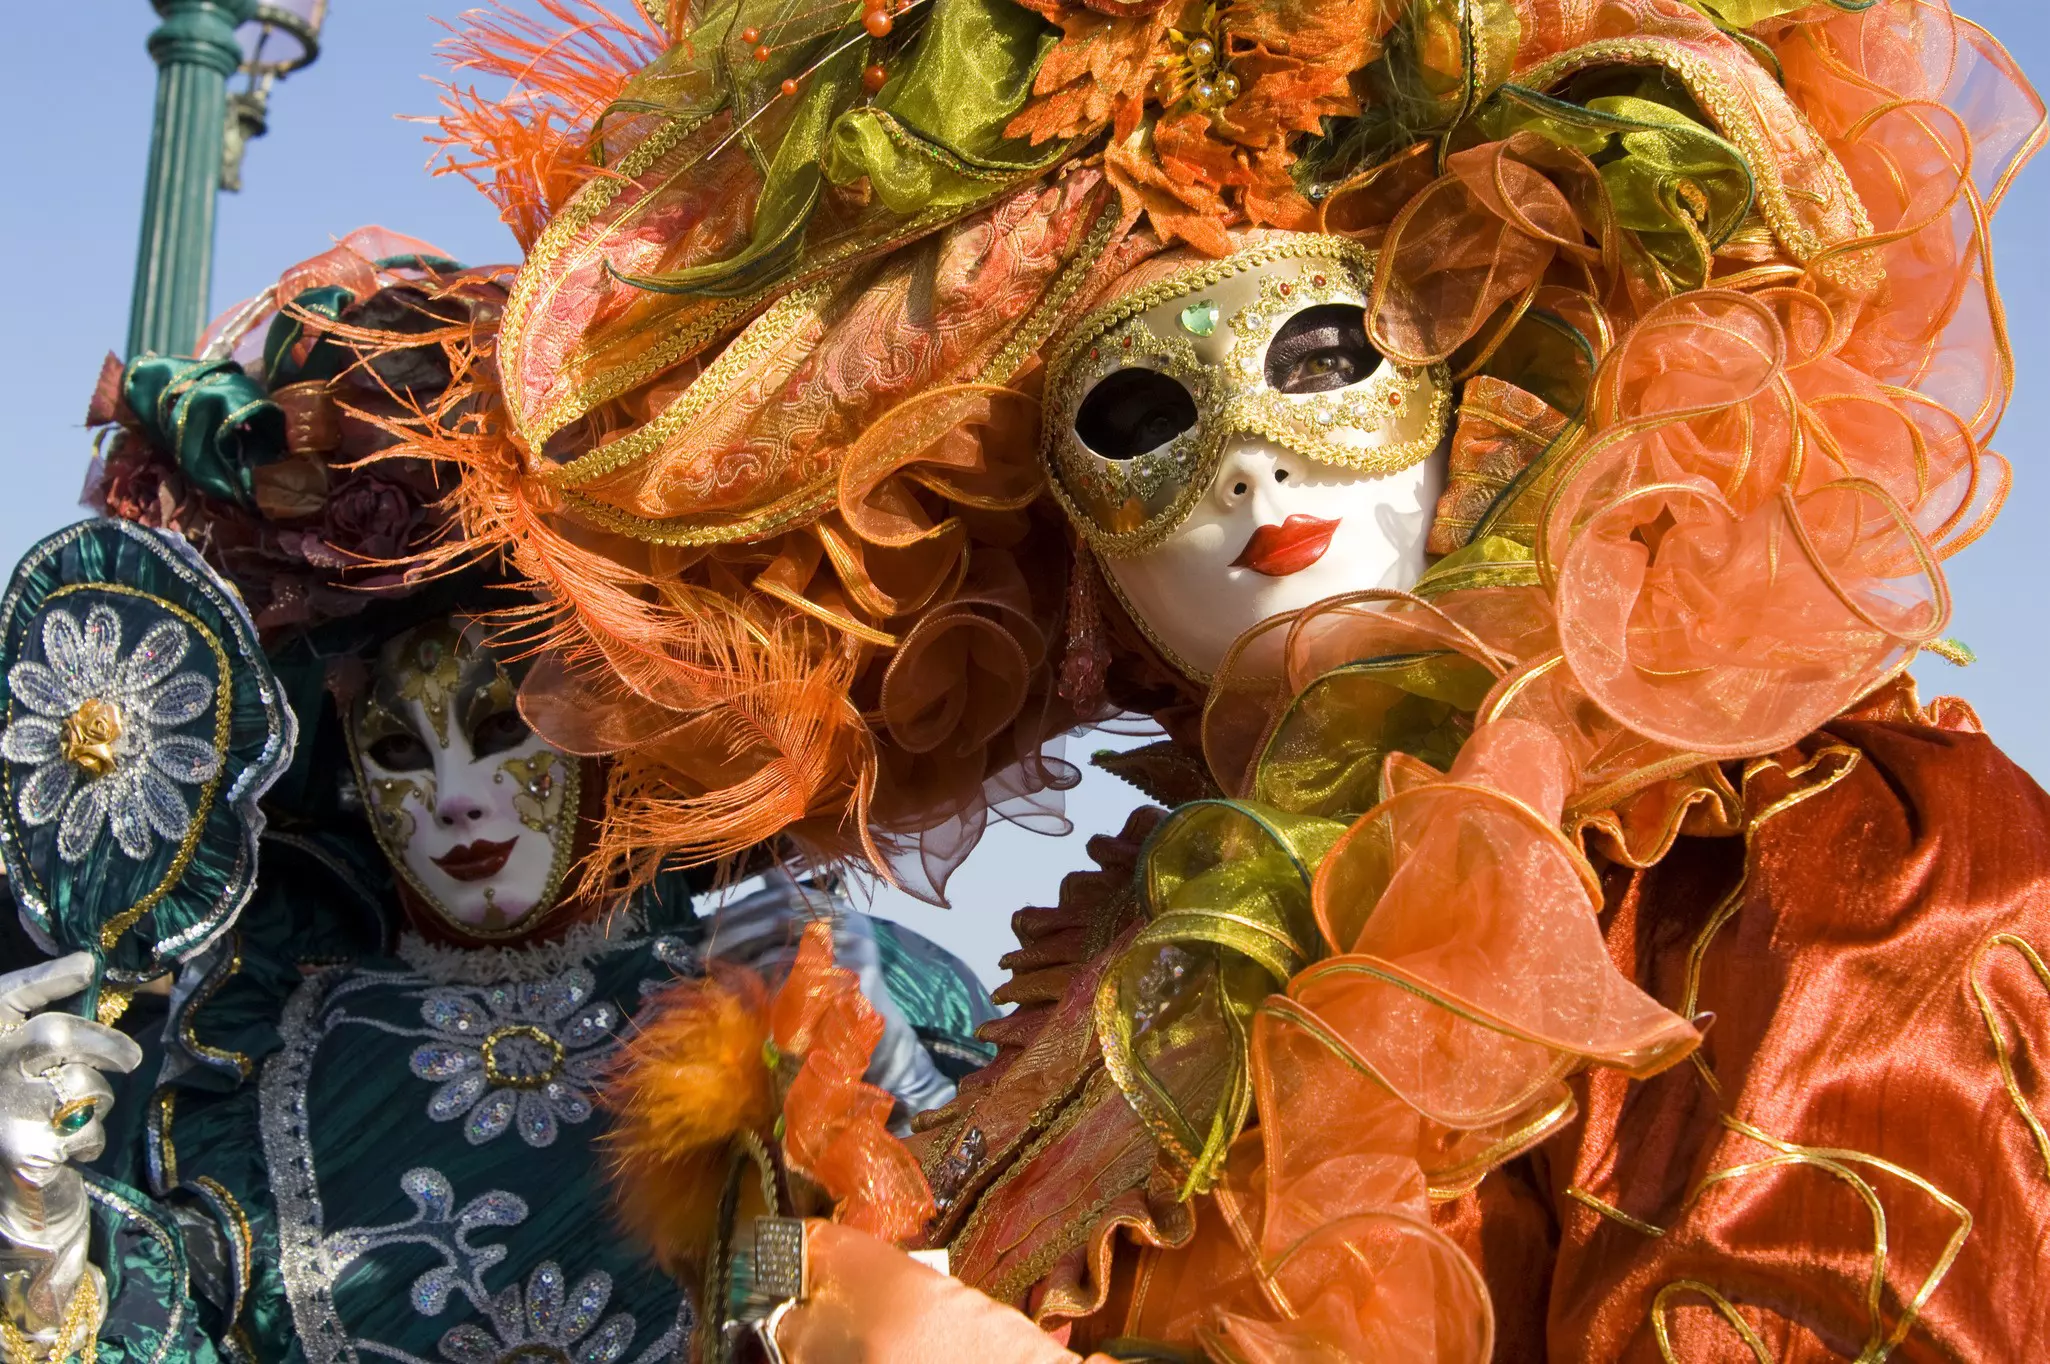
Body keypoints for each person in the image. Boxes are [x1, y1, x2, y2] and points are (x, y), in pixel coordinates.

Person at [463, 0, 2050, 1357]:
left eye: (1321, 354)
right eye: (1139, 414)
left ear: (1480, 369)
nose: (1245, 462)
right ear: (1071, 559)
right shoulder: (1128, 971)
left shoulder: (1834, 870)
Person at [0, 235, 995, 1364]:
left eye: (502, 730)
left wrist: (853, 1167)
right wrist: (43, 1234)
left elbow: (870, 1304)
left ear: (607, 734)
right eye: (399, 752)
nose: (457, 802)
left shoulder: (779, 999)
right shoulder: (265, 1065)